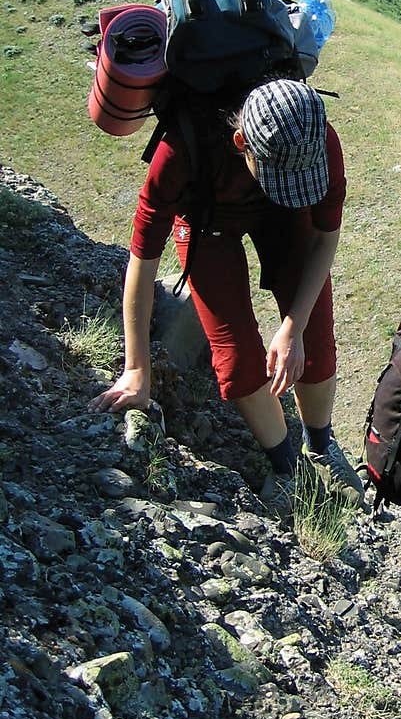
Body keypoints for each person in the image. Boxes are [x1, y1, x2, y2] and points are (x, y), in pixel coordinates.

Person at [90, 77, 364, 505]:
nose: (291, 185)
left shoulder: (319, 142)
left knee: (316, 339)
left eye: (300, 179)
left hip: (282, 219)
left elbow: (325, 239)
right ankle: (288, 469)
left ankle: (322, 448)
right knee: (235, 358)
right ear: (241, 141)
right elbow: (142, 264)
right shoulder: (181, 153)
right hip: (205, 219)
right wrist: (137, 369)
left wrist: (292, 328)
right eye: (279, 175)